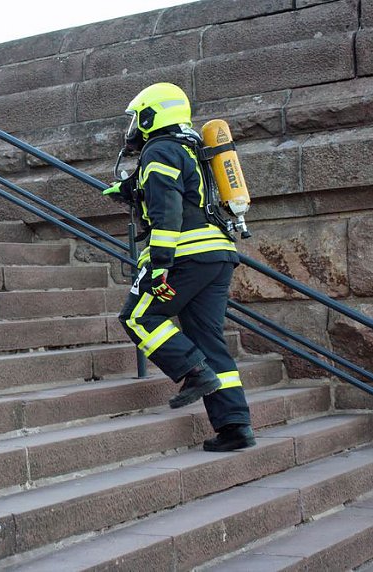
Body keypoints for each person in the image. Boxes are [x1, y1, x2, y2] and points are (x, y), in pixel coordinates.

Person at [104, 82, 255, 452]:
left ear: (152, 115)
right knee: (209, 341)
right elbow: (183, 194)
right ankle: (235, 427)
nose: (134, 127)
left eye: (137, 118)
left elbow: (167, 210)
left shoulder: (159, 151)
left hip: (185, 256)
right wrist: (129, 191)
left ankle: (193, 372)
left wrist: (160, 265)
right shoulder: (188, 148)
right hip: (217, 257)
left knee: (138, 317)